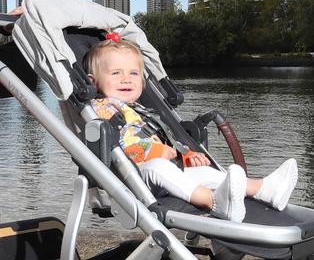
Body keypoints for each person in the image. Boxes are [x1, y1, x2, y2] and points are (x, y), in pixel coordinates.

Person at [84, 37, 298, 222]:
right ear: (93, 82)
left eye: (133, 73)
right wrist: (158, 153)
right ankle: (214, 203)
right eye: (115, 73)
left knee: (205, 172)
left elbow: (162, 140)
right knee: (159, 166)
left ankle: (263, 189)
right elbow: (122, 144)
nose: (126, 78)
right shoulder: (103, 107)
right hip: (130, 177)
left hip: (160, 172)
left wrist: (185, 154)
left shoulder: (140, 110)